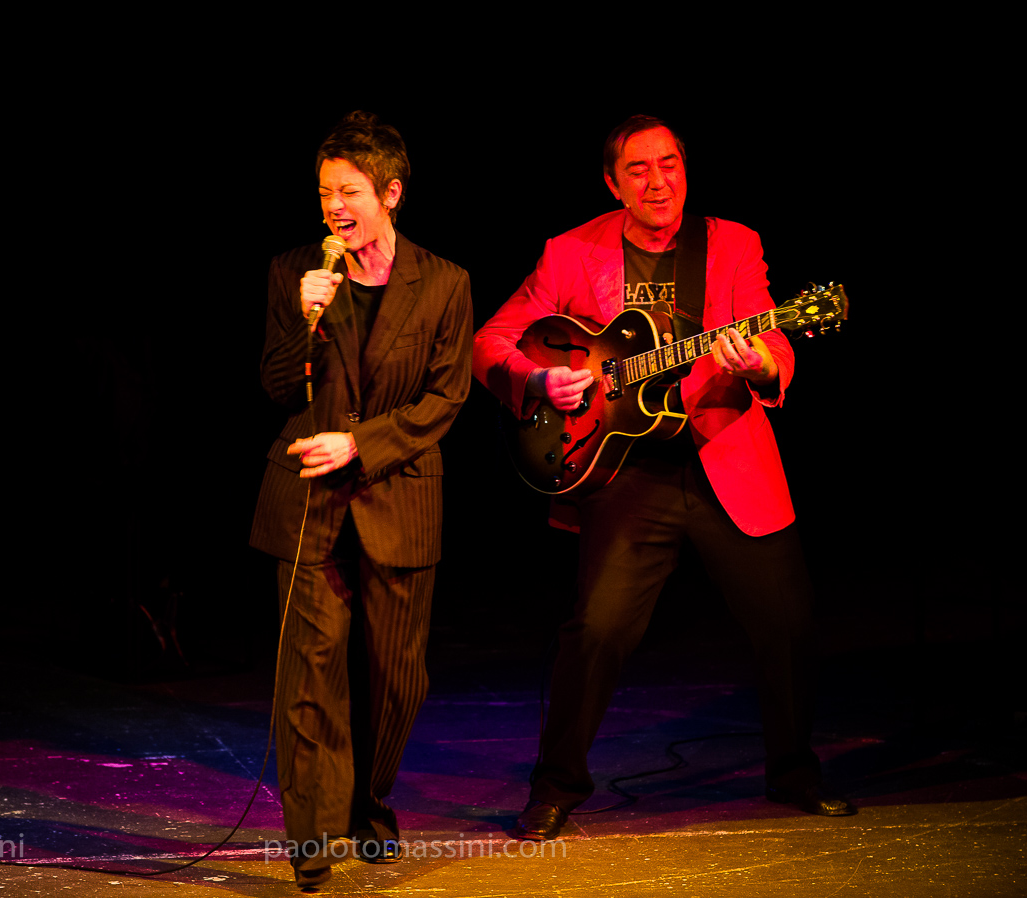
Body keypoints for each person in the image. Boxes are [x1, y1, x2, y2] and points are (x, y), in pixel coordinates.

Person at [472, 114, 854, 842]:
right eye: (639, 169)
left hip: (724, 451)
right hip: (625, 470)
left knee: (789, 621)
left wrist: (761, 364)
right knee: (596, 630)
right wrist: (538, 380)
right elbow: (490, 341)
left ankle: (794, 772)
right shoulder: (569, 251)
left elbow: (771, 336)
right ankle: (555, 787)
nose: (658, 182)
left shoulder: (733, 243)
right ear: (612, 183)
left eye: (669, 164)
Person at [250, 110, 472, 888]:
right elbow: (278, 387)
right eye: (323, 192)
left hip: (398, 499)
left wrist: (361, 444)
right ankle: (312, 837)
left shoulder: (444, 283)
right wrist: (304, 320)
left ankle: (368, 807)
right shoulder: (295, 271)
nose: (333, 206)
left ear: (391, 193)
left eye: (348, 191)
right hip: (310, 503)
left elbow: (445, 398)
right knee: (309, 677)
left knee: (393, 680)